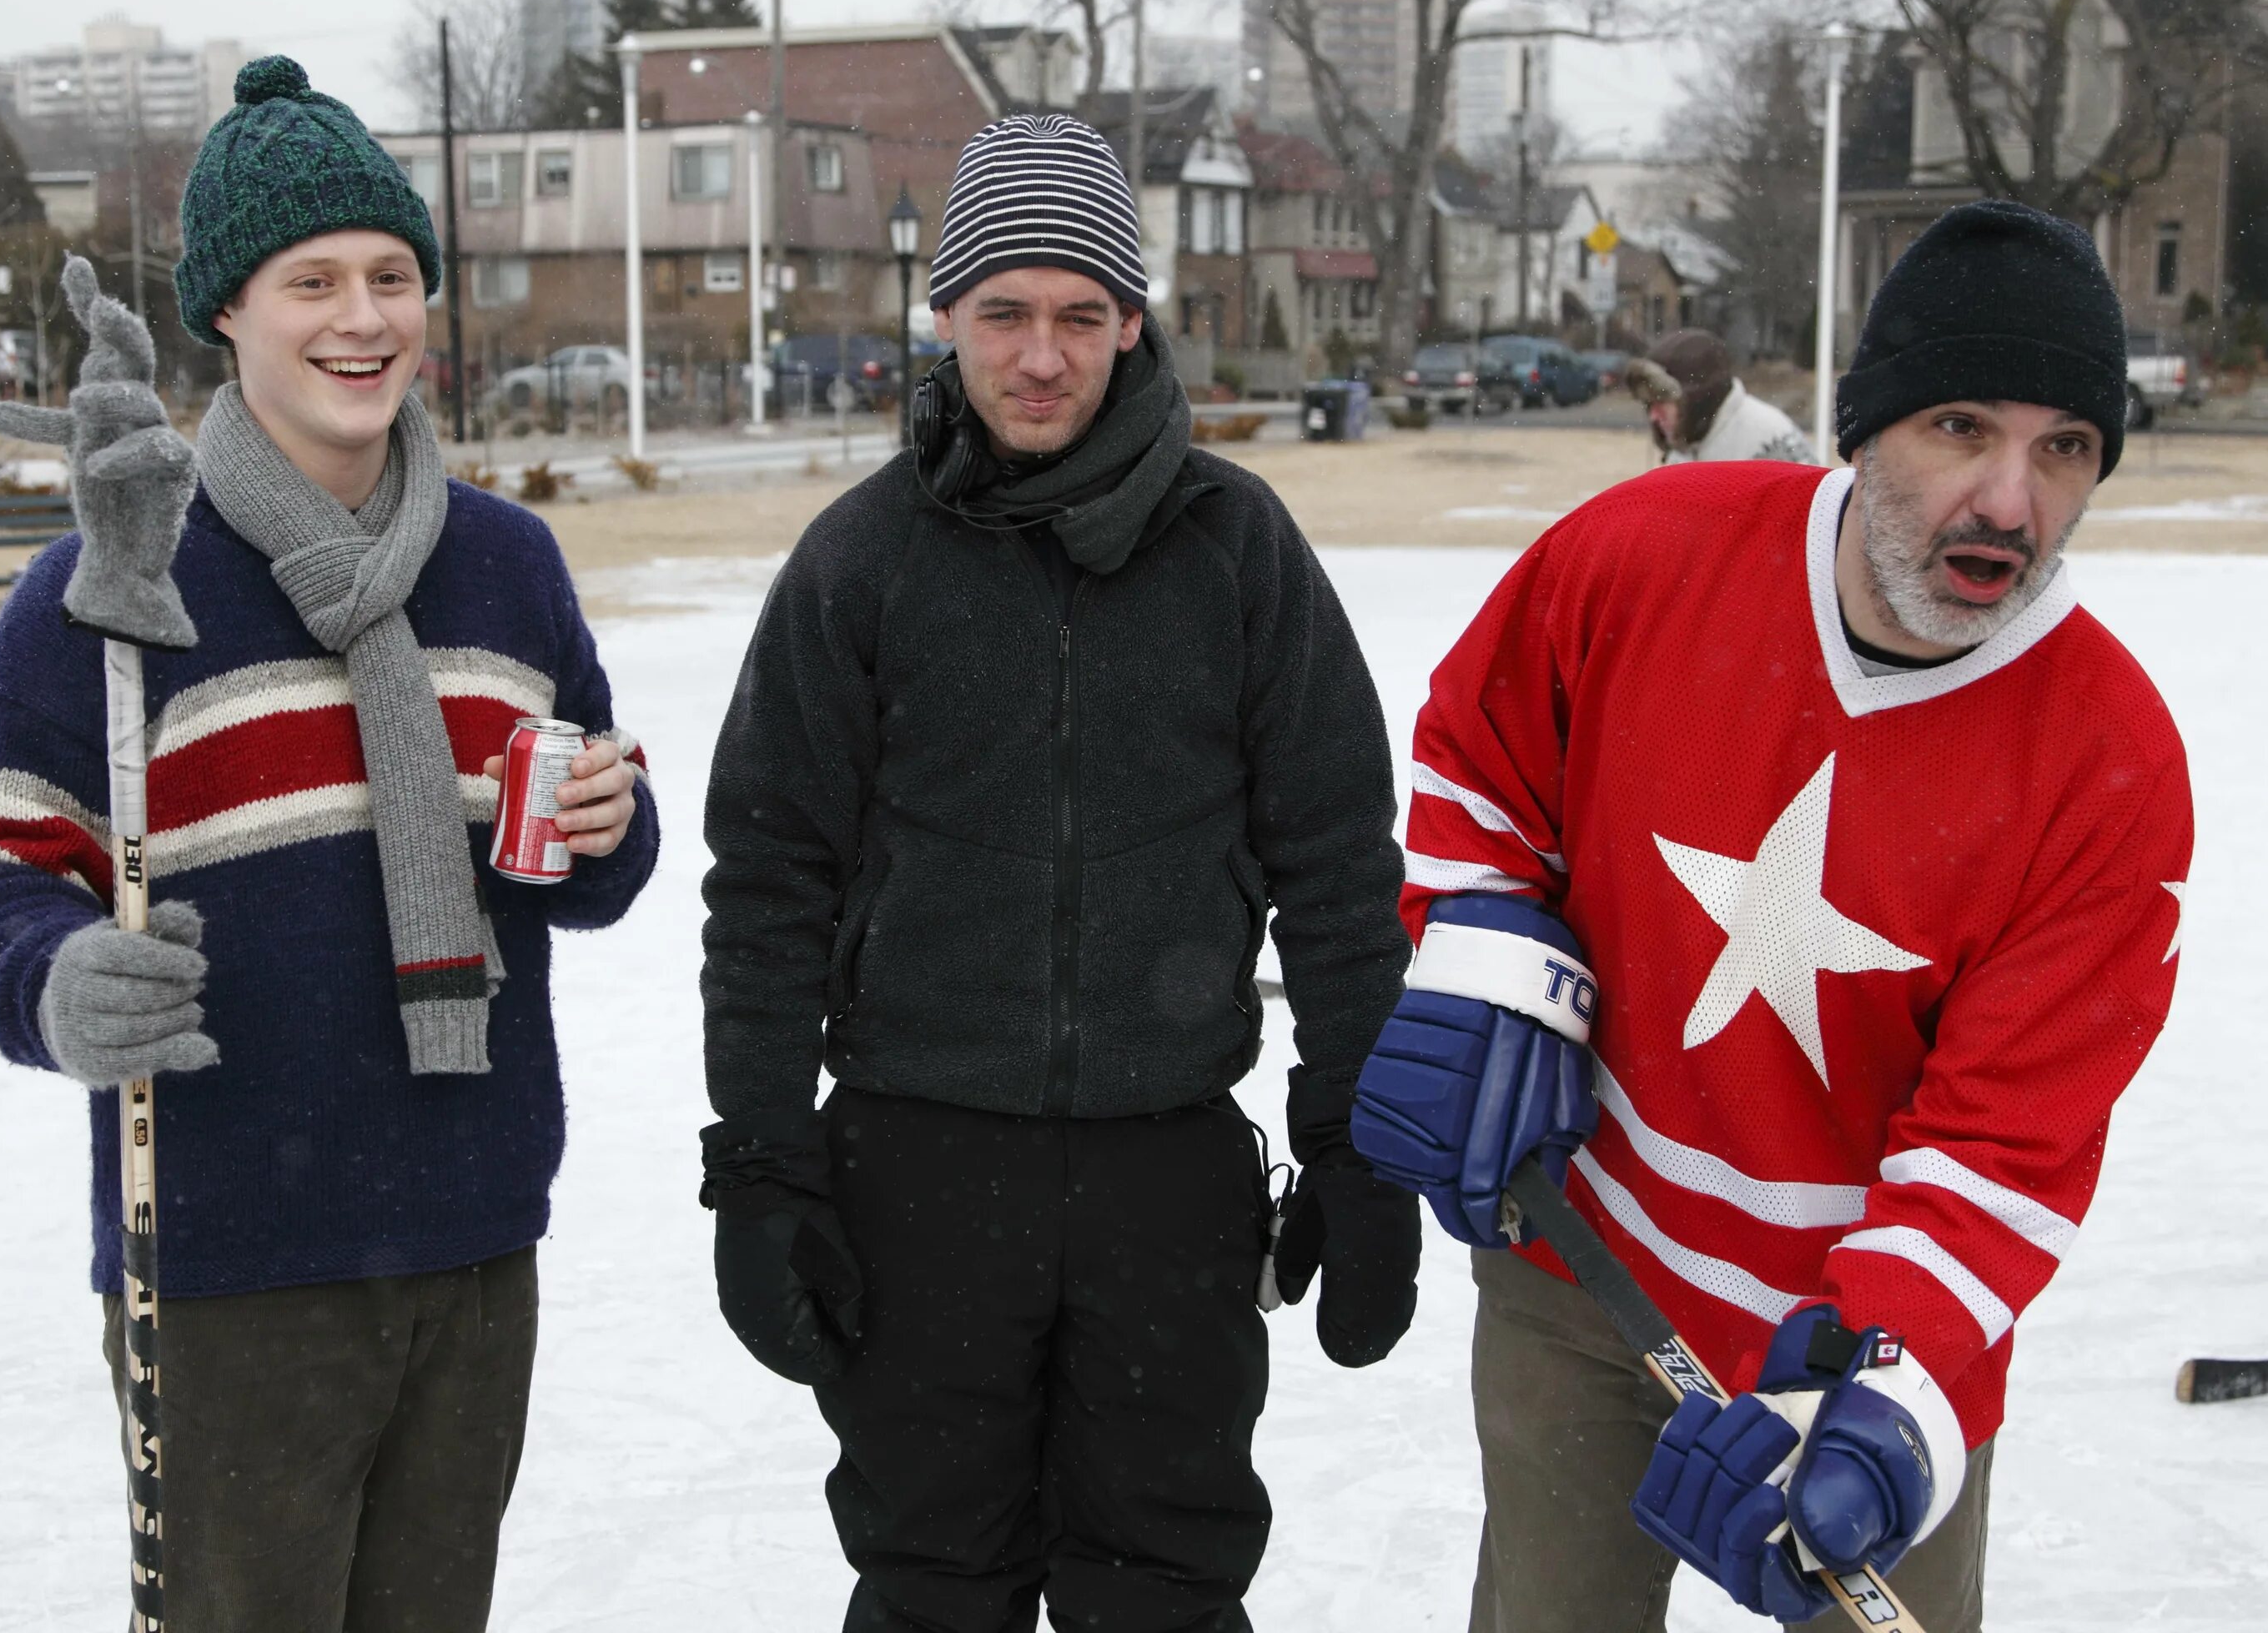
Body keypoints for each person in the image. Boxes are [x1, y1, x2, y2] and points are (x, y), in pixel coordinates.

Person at [1353, 198, 2190, 1632]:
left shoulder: (2112, 763)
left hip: (1866, 1341)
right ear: (1865, 429)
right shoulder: (1640, 555)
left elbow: (2010, 1144)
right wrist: (1493, 975)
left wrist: (1891, 1388)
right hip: (1584, 1266)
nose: (2010, 502)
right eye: (1962, 430)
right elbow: (1479, 765)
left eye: (2064, 449)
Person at [0, 55, 658, 1629]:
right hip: (226, 1247)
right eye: (311, 278)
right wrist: (53, 979)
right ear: (226, 314)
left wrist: (610, 823)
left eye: (392, 275)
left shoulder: (507, 566)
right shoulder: (113, 585)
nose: (363, 317)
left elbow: (585, 843)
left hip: (469, 1231)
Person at [697, 113, 1421, 1633]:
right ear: (945, 316)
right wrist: (762, 1165)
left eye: (1081, 315)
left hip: (1169, 1179)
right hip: (920, 1175)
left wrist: (1355, 1148)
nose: (1043, 356)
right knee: (932, 1586)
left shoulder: (1238, 549)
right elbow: (770, 877)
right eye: (1007, 314)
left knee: (1164, 1588)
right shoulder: (863, 559)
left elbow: (1341, 870)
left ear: (1133, 324)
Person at [1627, 327, 1821, 465]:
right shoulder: (1685, 445)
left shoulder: (1770, 440)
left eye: (1662, 401)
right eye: (1648, 404)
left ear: (1698, 400)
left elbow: (1815, 516)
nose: (1653, 415)